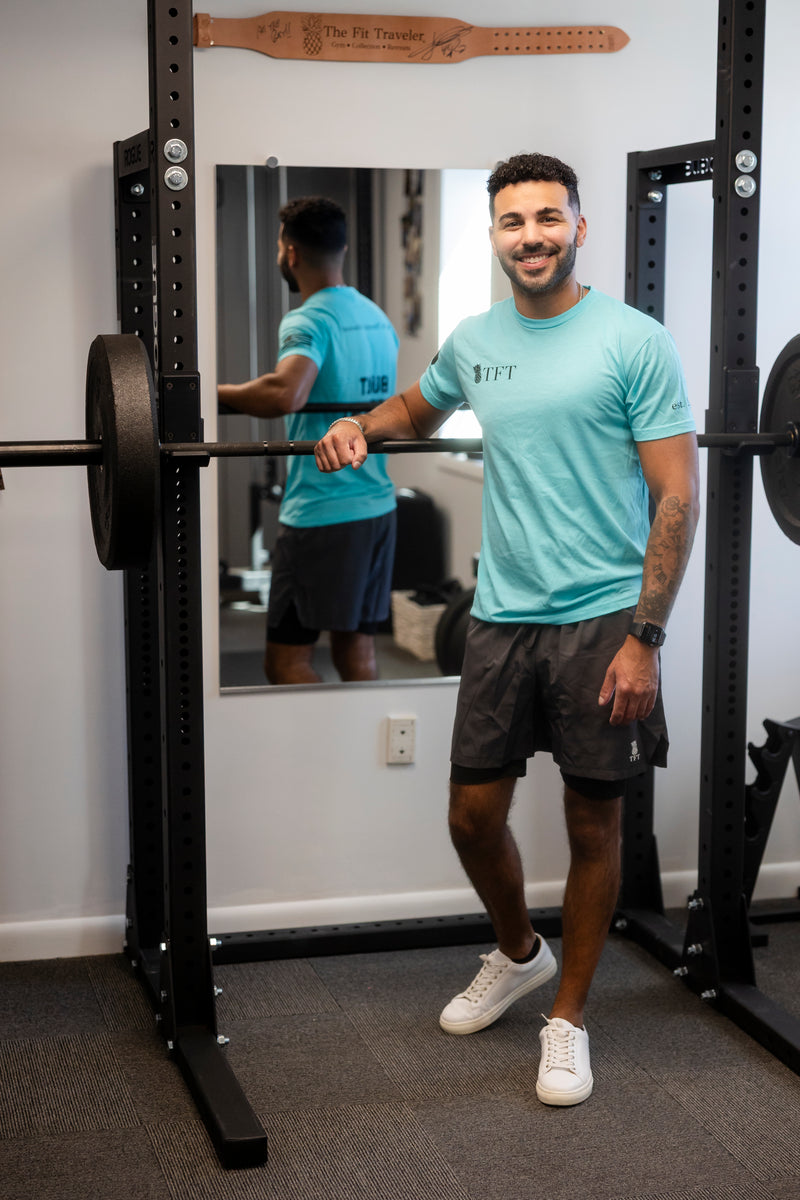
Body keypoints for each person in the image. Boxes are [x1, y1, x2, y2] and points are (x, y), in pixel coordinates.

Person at [314, 153, 700, 1105]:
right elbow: (422, 403)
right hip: (502, 615)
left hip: (604, 620)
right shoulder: (478, 337)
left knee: (591, 821)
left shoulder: (634, 341)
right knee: (471, 816)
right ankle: (520, 952)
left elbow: (676, 496)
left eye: (547, 219)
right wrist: (363, 425)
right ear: (494, 234)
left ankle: (567, 1019)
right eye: (512, 222)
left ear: (579, 226)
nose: (530, 236)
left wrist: (644, 638)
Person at [218, 196, 399, 685]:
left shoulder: (309, 319)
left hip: (322, 512)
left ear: (290, 252)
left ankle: (311, 759)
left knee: (286, 661)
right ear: (340, 248)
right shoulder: (377, 317)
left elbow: (286, 392)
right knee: (356, 653)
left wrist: (214, 395)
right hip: (376, 508)